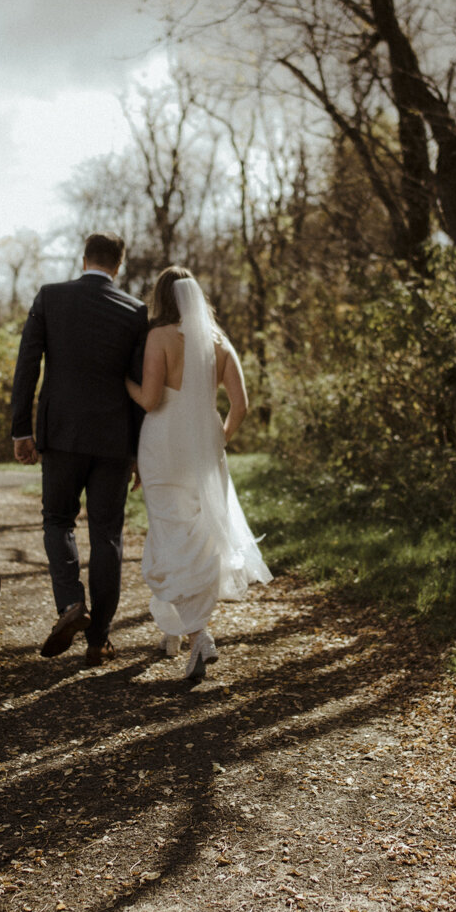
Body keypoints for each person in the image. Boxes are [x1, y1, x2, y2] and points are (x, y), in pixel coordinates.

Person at [9, 231, 150, 665]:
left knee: (57, 520)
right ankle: (99, 639)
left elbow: (27, 364)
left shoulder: (51, 297)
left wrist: (21, 431)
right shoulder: (134, 311)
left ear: (83, 257)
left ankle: (71, 603)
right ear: (119, 266)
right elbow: (139, 385)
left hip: (62, 435)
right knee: (106, 534)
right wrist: (139, 451)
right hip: (113, 441)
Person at [125, 266, 271, 682]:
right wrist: (218, 441)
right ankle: (174, 628)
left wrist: (125, 384)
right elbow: (239, 406)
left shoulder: (159, 338)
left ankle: (196, 634)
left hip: (163, 446)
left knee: (168, 531)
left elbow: (151, 400)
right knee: (196, 534)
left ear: (162, 298)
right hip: (203, 450)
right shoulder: (220, 343)